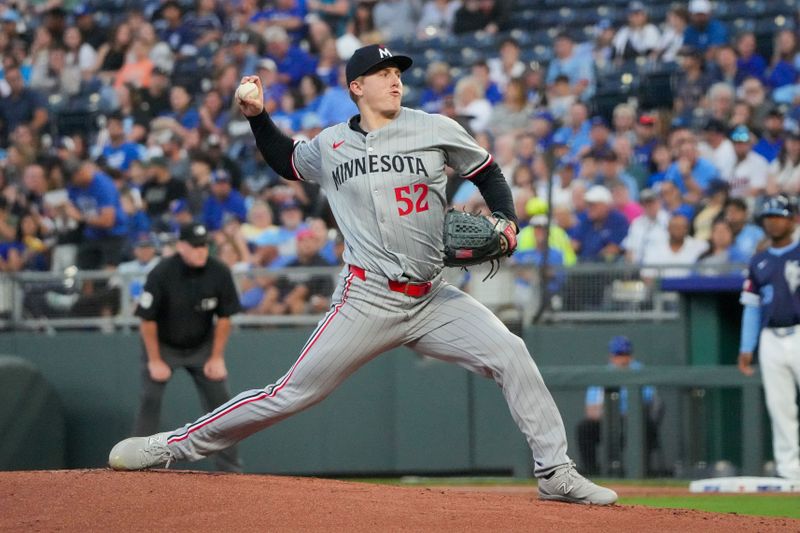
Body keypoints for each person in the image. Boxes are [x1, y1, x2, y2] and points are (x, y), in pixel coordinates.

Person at [109, 44, 617, 506]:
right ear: (356, 87)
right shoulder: (332, 144)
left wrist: (505, 220)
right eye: (382, 72)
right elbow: (287, 161)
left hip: (432, 298)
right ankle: (169, 447)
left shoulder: (434, 127)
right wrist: (258, 117)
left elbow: (486, 171)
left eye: (397, 71)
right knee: (289, 393)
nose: (394, 79)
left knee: (512, 353)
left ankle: (555, 471)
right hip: (367, 298)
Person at [129, 222, 242, 472]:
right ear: (181, 246)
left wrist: (217, 357)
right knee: (150, 399)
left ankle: (230, 470)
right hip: (164, 346)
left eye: (204, 245)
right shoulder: (162, 272)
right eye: (195, 246)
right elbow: (146, 320)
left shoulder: (219, 271)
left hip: (202, 346)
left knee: (222, 404)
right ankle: (136, 465)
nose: (201, 250)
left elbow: (225, 318)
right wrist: (155, 360)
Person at [738, 195, 800, 480]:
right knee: (780, 405)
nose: (773, 221)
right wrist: (746, 346)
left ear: (793, 219)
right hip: (771, 336)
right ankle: (790, 473)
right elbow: (751, 307)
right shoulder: (759, 260)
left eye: (779, 216)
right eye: (769, 216)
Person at [576, 336, 661, 476]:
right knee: (584, 428)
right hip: (607, 422)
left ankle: (643, 472)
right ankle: (592, 473)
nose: (622, 359)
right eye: (618, 355)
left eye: (625, 354)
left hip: (634, 422)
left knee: (647, 426)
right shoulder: (602, 375)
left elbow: (651, 403)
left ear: (631, 355)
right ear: (611, 356)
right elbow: (591, 411)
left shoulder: (640, 371)